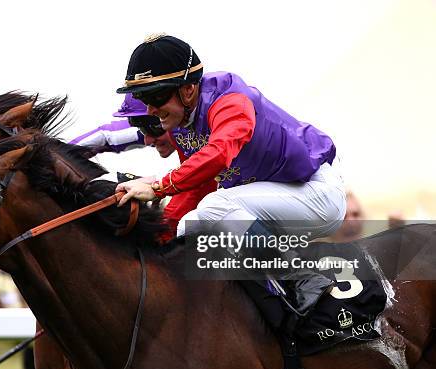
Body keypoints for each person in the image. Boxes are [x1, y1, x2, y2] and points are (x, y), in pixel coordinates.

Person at [114, 34, 347, 313]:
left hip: (316, 195)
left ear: (188, 90)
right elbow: (196, 188)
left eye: (154, 96)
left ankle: (304, 279)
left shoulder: (231, 100)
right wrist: (155, 241)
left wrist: (159, 187)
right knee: (188, 228)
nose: (150, 109)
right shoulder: (182, 124)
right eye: (142, 98)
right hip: (273, 205)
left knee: (216, 206)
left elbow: (220, 152)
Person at [71, 94, 216, 237]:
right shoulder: (158, 127)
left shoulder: (205, 128)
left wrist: (161, 234)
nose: (146, 141)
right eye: (143, 130)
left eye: (150, 129)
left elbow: (194, 187)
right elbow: (105, 137)